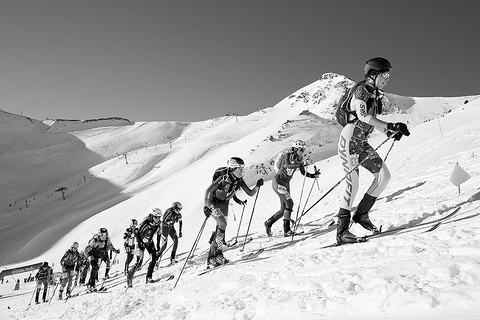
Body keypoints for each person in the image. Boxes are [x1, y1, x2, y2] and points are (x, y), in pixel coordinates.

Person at [336, 57, 410, 244]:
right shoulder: (361, 89)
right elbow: (362, 116)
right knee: (353, 184)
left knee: (384, 176)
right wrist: (390, 125)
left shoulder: (375, 95)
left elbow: (371, 121)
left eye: (388, 75)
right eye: (385, 74)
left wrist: (389, 131)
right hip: (349, 141)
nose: (387, 79)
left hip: (362, 143)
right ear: (373, 74)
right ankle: (342, 232)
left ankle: (361, 215)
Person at [203, 157, 264, 267]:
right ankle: (215, 255)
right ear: (232, 169)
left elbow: (250, 193)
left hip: (224, 204)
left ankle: (215, 256)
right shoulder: (223, 178)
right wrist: (206, 206)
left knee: (220, 230)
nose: (242, 171)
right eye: (239, 169)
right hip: (213, 203)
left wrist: (257, 186)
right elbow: (209, 191)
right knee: (222, 224)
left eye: (242, 169)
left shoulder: (239, 180)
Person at [264, 140, 321, 237]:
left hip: (286, 184)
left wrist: (313, 175)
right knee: (289, 203)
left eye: (303, 150)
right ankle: (287, 231)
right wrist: (301, 164)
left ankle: (268, 223)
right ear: (295, 149)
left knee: (283, 210)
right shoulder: (288, 155)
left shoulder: (300, 158)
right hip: (278, 182)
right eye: (301, 150)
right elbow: (287, 165)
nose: (302, 152)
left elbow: (303, 173)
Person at [126, 209, 162, 286]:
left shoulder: (158, 223)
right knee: (138, 263)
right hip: (140, 242)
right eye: (156, 217)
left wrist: (158, 247)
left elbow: (159, 234)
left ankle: (149, 278)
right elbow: (137, 233)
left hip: (149, 241)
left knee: (154, 258)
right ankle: (129, 276)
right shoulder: (146, 222)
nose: (157, 219)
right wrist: (141, 243)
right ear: (152, 216)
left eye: (159, 217)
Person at [156, 202, 183, 266]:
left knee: (176, 241)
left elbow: (181, 222)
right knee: (164, 245)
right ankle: (157, 258)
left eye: (180, 210)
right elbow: (164, 221)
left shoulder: (178, 214)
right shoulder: (169, 212)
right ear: (174, 208)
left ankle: (172, 257)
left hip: (171, 228)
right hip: (165, 229)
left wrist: (180, 231)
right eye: (177, 209)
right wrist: (168, 222)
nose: (178, 211)